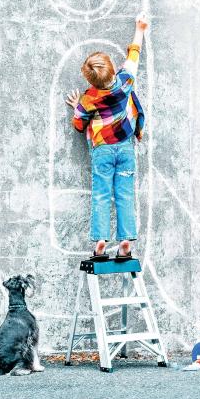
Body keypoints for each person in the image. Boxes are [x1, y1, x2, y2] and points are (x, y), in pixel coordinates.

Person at [65, 14, 148, 262]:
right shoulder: (125, 81)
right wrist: (140, 29)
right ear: (113, 68)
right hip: (125, 149)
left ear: (90, 81)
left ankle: (101, 241)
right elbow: (134, 55)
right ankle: (125, 242)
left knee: (101, 193)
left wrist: (77, 105)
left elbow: (79, 123)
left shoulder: (90, 97)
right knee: (124, 194)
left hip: (102, 150)